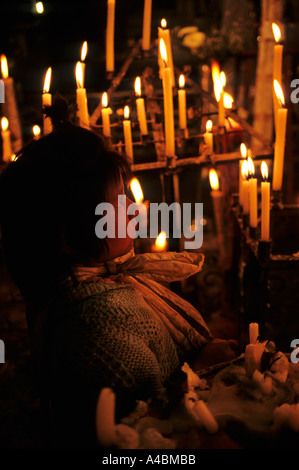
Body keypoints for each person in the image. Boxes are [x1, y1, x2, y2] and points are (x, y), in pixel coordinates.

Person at [0, 99, 236, 448]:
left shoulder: (106, 286)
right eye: (120, 201)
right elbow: (142, 430)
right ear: (68, 237)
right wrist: (201, 367)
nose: (133, 209)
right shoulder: (96, 327)